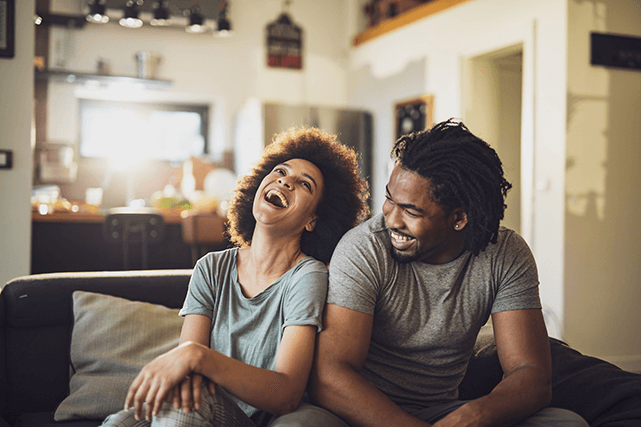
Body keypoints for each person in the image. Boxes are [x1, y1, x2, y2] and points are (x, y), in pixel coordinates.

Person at [308, 119, 589, 427]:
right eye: (389, 199)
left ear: (460, 218)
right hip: (354, 412)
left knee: (566, 423)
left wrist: (475, 414)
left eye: (410, 211)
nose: (391, 218)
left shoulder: (506, 254)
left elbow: (531, 374)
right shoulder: (364, 248)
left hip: (441, 412)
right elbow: (331, 376)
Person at [99, 127, 369, 427]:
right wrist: (192, 361)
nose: (286, 181)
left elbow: (288, 393)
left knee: (184, 409)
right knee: (122, 421)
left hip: (244, 419)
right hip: (201, 407)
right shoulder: (210, 268)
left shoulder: (307, 276)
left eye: (304, 184)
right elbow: (189, 371)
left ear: (313, 220)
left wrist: (199, 358)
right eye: (281, 171)